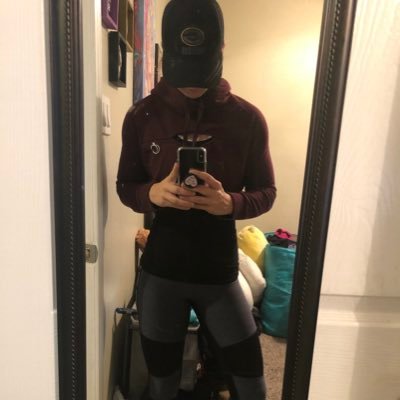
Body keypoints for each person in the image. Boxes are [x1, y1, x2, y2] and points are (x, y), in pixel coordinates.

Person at [117, 0, 276, 399]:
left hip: (219, 274)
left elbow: (267, 192)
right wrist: (151, 194)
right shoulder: (141, 116)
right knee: (162, 385)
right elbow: (125, 186)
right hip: (161, 273)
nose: (190, 85)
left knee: (252, 384)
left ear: (220, 49)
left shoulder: (247, 119)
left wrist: (230, 204)